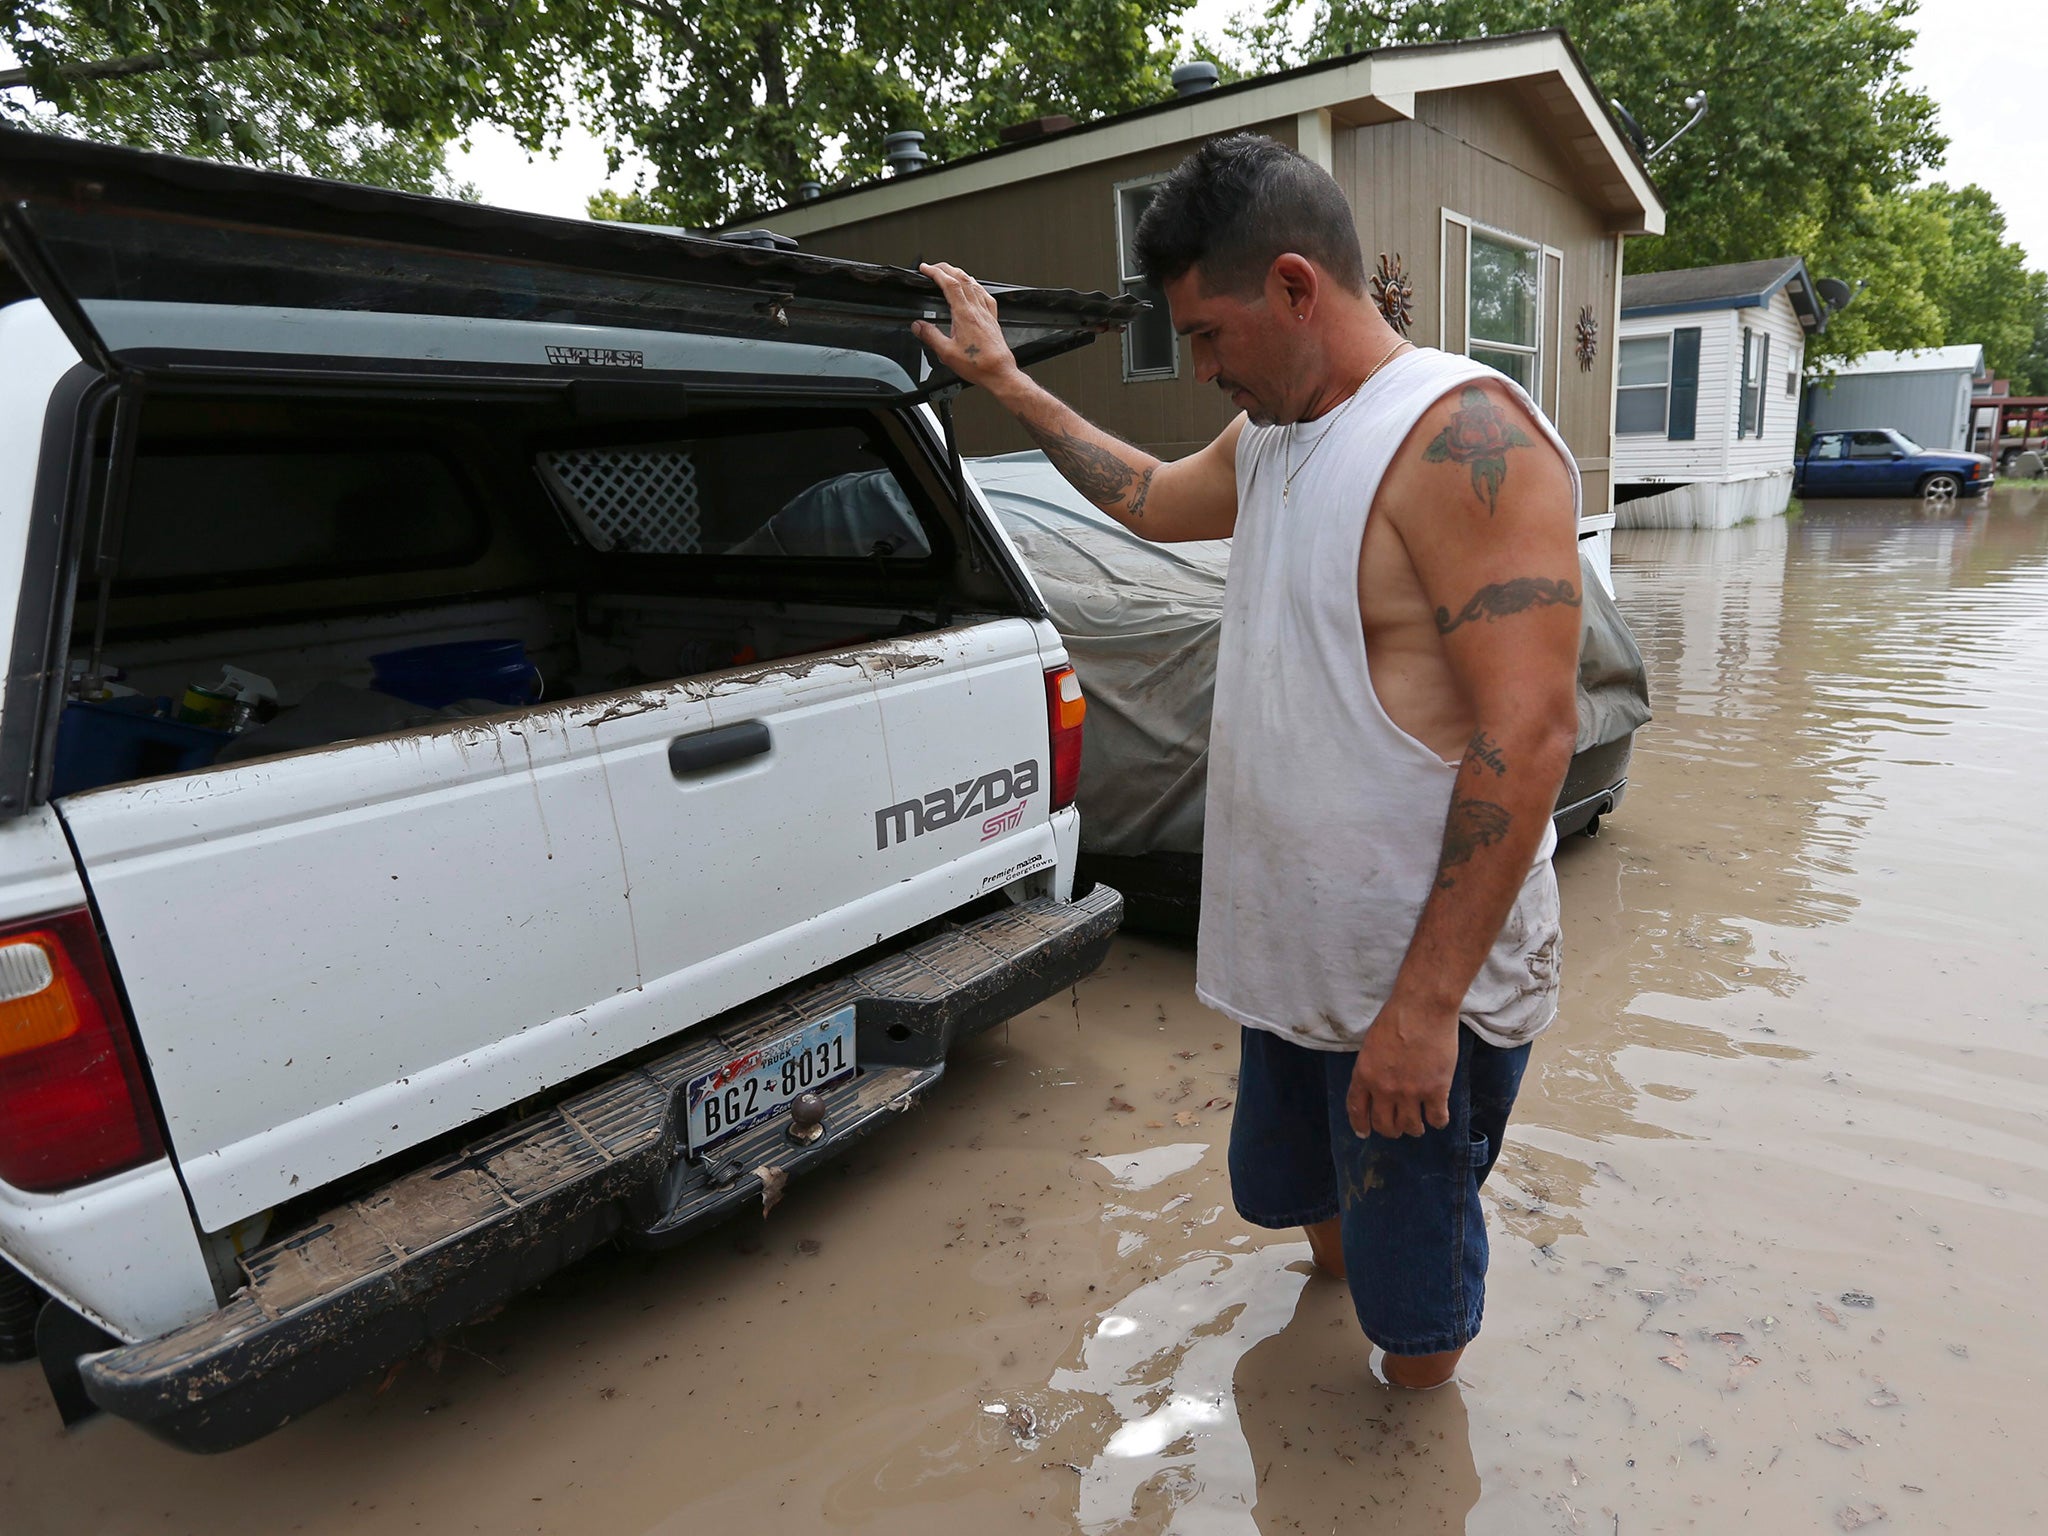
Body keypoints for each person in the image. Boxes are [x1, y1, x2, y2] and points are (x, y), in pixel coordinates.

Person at [913, 132, 1580, 1390]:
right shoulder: (1275, 438)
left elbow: (1531, 733)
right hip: (1297, 965)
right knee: (1311, 1222)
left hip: (1412, 985)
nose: (1203, 369)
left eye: (1209, 338)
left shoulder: (1459, 439)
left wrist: (1424, 1012)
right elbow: (1153, 497)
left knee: (1411, 1318)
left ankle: (1395, 1481)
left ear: (1291, 285)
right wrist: (1005, 383)